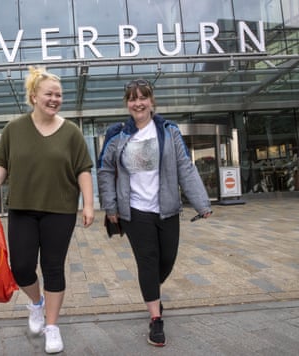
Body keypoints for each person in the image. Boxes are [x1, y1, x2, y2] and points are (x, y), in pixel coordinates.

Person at [0, 66, 94, 354]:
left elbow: (83, 170)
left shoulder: (71, 132)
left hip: (61, 209)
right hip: (22, 207)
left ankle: (52, 326)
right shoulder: (14, 129)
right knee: (21, 267)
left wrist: (89, 204)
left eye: (59, 94)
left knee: (53, 268)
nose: (55, 99)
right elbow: (2, 163)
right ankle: (36, 303)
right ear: (34, 96)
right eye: (49, 93)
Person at [97, 78, 212, 347]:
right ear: (127, 104)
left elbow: (185, 167)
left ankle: (151, 292)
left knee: (166, 260)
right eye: (132, 98)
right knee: (148, 261)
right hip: (134, 210)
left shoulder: (168, 131)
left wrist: (201, 203)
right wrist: (111, 206)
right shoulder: (117, 134)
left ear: (151, 101)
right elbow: (104, 171)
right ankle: (156, 318)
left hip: (167, 208)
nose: (138, 103)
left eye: (143, 97)